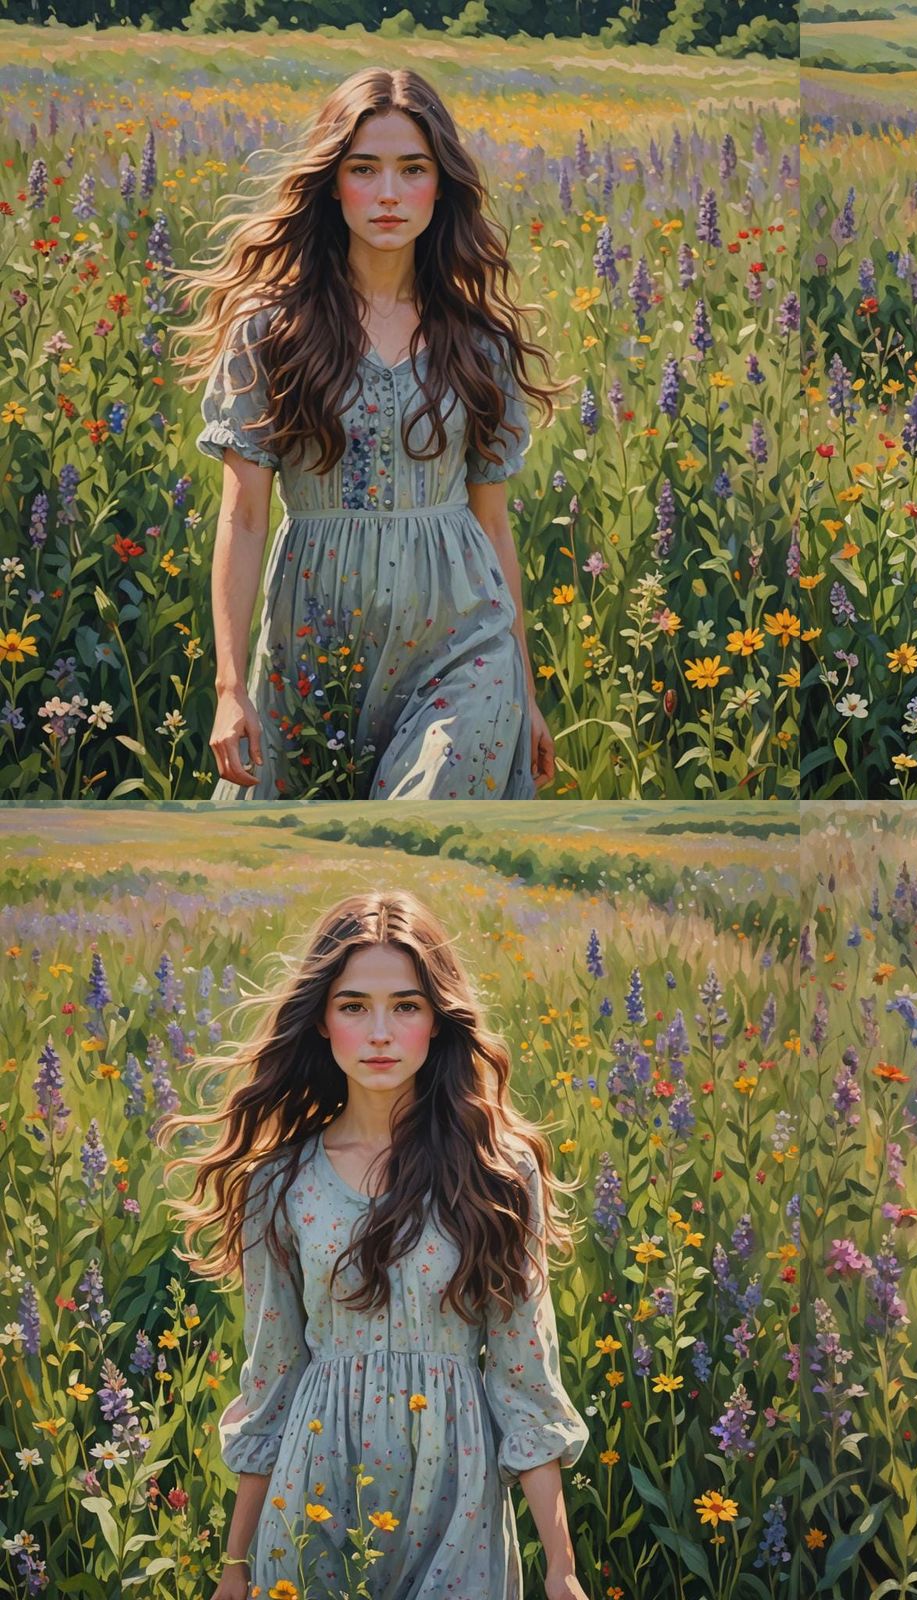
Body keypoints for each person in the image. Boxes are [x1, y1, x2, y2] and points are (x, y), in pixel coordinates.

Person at [163, 891, 588, 1600]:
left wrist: (562, 1570)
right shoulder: (281, 1182)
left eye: (407, 1006)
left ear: (438, 1020)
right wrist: (234, 1570)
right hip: (317, 1488)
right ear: (323, 1021)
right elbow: (271, 1378)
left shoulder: (498, 1173)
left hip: (458, 1499)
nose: (382, 1032)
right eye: (355, 1006)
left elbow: (525, 1379)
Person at [174, 68, 560, 801]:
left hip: (465, 643)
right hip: (316, 642)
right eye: (364, 169)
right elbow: (244, 516)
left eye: (412, 170)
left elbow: (494, 523)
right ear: (333, 183)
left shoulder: (479, 342)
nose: (388, 193)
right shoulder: (273, 329)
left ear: (439, 186)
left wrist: (527, 692)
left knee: (430, 811)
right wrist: (230, 686)